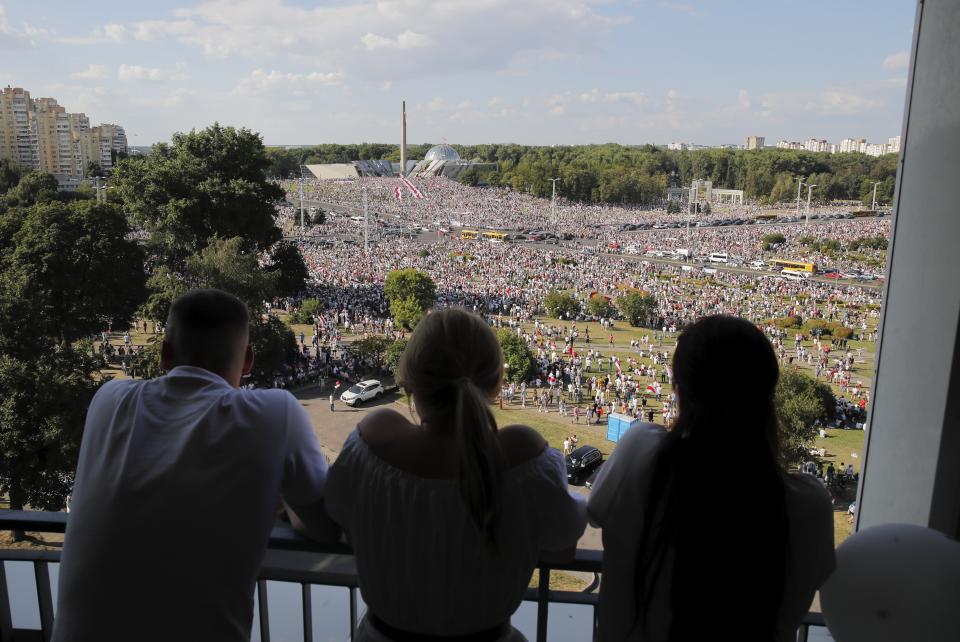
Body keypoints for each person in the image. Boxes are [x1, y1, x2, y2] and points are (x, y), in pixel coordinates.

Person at [54, 289, 339, 642]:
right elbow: (324, 526)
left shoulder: (109, 400)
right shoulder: (275, 412)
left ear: (164, 353)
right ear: (248, 360)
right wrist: (282, 504)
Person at [325, 307, 586, 641]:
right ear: (496, 386)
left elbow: (337, 511)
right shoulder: (524, 455)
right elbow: (561, 546)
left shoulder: (375, 439)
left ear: (409, 383)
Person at [588, 315, 835, 642]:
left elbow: (595, 510)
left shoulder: (641, 455)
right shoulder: (810, 504)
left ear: (680, 390)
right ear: (767, 395)